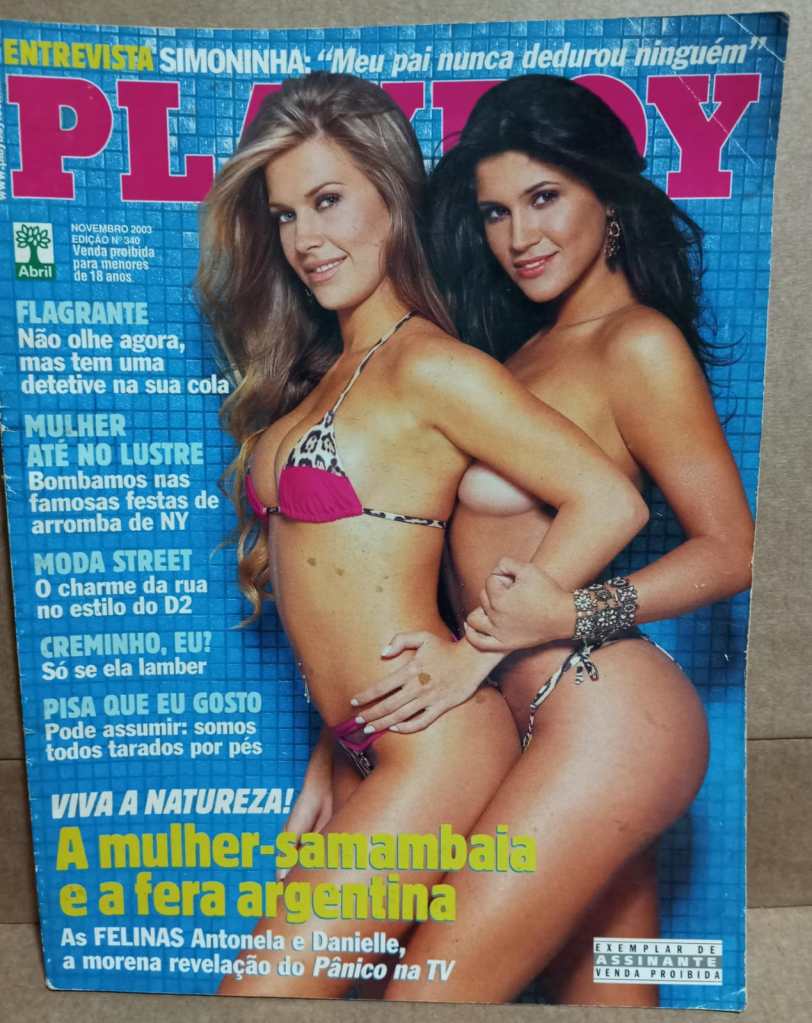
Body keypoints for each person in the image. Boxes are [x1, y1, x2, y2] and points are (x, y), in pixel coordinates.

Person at [196, 72, 647, 999]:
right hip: (369, 744)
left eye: (328, 200)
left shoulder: (434, 367)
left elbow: (610, 501)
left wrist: (475, 653)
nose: (305, 238)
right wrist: (331, 750)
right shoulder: (326, 374)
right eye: (285, 215)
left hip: (442, 743)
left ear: (391, 197)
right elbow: (352, 586)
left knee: (264, 995)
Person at [337, 75, 754, 1005]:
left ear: (608, 198)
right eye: (496, 211)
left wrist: (568, 611)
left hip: (605, 716)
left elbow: (733, 549)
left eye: (544, 197)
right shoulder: (520, 354)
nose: (519, 235)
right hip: (539, 721)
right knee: (611, 998)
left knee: (429, 992)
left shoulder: (636, 344)